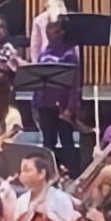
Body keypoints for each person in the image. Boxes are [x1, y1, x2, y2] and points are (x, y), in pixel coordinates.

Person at [30, 16, 83, 172]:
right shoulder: (44, 54)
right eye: (47, 29)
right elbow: (38, 82)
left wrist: (70, 109)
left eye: (53, 29)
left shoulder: (70, 55)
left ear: (61, 32)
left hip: (63, 106)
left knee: (67, 141)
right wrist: (35, 104)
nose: (49, 32)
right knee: (48, 142)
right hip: (45, 105)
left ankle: (73, 173)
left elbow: (74, 86)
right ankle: (49, 173)